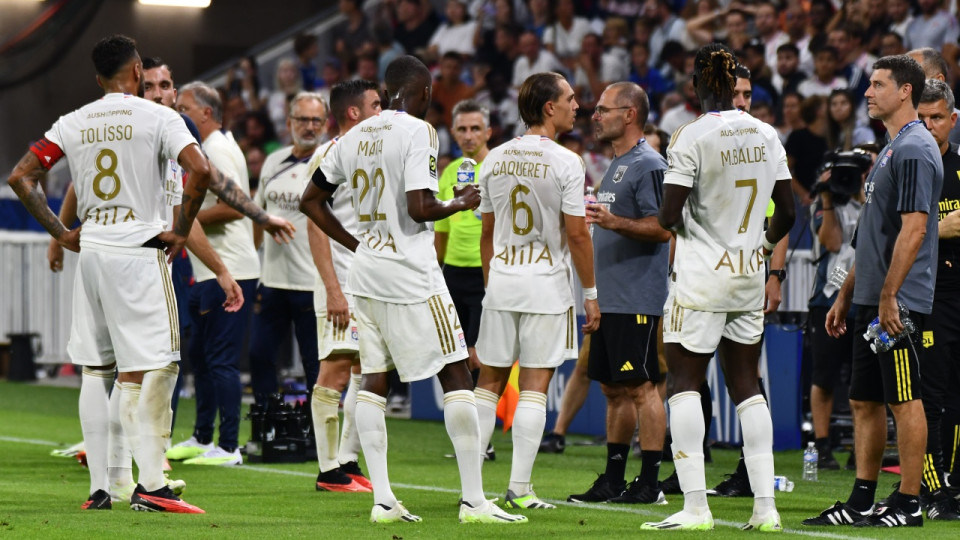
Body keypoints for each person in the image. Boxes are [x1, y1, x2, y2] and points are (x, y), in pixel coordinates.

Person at [299, 55, 526, 525]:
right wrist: (459, 202)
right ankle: (474, 501)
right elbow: (420, 207)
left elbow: (310, 201)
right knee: (456, 374)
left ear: (386, 92)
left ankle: (383, 500)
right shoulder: (419, 131)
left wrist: (356, 244)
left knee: (373, 380)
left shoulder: (352, 137)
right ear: (424, 93)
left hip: (367, 273)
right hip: (411, 272)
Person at [6, 34, 213, 513]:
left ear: (98, 79)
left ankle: (104, 486)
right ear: (138, 71)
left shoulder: (74, 121)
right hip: (138, 250)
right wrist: (181, 230)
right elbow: (200, 171)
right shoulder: (159, 117)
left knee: (96, 370)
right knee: (160, 363)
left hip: (93, 253)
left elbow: (21, 176)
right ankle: (154, 484)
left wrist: (62, 232)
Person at [642, 43, 795, 532]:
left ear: (695, 86)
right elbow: (788, 211)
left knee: (683, 383)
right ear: (735, 86)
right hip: (747, 274)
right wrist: (762, 246)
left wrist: (688, 225)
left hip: (701, 279)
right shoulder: (766, 133)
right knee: (747, 385)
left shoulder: (690, 135)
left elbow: (668, 215)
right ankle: (765, 508)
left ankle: (695, 508)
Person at [803, 55, 942, 528]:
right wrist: (847, 293)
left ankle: (909, 502)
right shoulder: (889, 149)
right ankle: (862, 500)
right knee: (864, 399)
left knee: (904, 398)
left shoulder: (915, 148)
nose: (867, 92)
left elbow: (915, 229)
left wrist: (889, 296)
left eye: (879, 84)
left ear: (905, 91)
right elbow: (872, 235)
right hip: (871, 298)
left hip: (898, 302)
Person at [473, 71, 600, 511]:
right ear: (549, 107)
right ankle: (520, 488)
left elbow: (487, 233)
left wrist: (492, 283)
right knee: (533, 387)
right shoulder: (567, 162)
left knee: (488, 383)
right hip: (545, 285)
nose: (576, 106)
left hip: (502, 281)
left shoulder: (494, 159)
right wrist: (591, 293)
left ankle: (473, 490)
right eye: (570, 98)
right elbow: (578, 235)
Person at [566, 82, 670, 505]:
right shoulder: (618, 164)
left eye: (603, 110)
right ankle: (613, 479)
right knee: (612, 389)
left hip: (635, 298)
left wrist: (613, 223)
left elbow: (662, 227)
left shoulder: (649, 165)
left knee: (642, 387)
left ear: (629, 114)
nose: (595, 116)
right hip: (610, 298)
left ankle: (650, 483)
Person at [168, 82, 262, 467]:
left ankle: (229, 445)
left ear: (206, 113)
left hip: (230, 267)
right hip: (211, 268)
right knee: (202, 356)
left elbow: (236, 206)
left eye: (184, 107)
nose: (178, 113)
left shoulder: (217, 149)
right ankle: (203, 436)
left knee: (220, 359)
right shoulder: (211, 146)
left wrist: (185, 219)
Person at [307, 79, 382, 493]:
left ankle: (347, 460)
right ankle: (328, 471)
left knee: (365, 370)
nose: (381, 111)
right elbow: (314, 224)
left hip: (366, 278)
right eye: (376, 105)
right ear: (354, 112)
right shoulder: (330, 154)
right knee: (335, 370)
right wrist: (333, 289)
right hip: (341, 281)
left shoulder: (369, 151)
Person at [248, 92, 328, 405]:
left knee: (314, 366)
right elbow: (259, 213)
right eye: (303, 119)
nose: (309, 126)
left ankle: (314, 429)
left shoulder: (331, 163)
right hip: (271, 281)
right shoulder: (273, 161)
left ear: (325, 124)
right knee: (259, 355)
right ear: (290, 122)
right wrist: (251, 263)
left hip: (312, 283)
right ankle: (268, 423)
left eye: (316, 120)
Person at [914, 78, 960, 519]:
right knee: (928, 397)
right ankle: (931, 489)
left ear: (953, 119)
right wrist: (939, 230)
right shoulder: (909, 165)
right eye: (922, 118)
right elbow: (889, 235)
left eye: (937, 118)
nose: (930, 127)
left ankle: (955, 484)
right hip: (928, 298)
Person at [435, 99, 492, 380]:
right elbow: (441, 230)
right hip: (453, 274)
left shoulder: (498, 168)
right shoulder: (450, 172)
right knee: (454, 355)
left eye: (475, 128)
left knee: (479, 355)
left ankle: (481, 407)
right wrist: (435, 273)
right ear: (454, 133)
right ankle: (464, 405)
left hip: (486, 273)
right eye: (462, 129)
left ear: (488, 132)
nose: (469, 135)